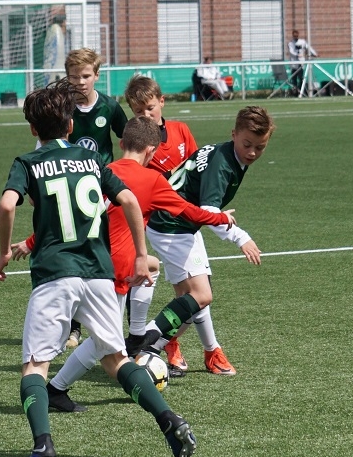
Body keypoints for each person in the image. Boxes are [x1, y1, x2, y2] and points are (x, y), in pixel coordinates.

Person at [0, 80, 197, 457]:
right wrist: (141, 255)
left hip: (55, 273)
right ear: (71, 125)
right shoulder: (91, 162)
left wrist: (3, 252)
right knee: (116, 360)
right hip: (100, 274)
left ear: (33, 129)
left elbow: (6, 205)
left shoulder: (28, 162)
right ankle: (170, 421)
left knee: (35, 366)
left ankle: (43, 445)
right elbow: (129, 199)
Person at [13, 115, 235, 413]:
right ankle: (58, 387)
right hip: (112, 270)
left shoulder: (101, 170)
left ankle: (134, 336)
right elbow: (190, 213)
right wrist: (222, 217)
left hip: (86, 259)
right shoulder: (152, 180)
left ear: (121, 143)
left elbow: (74, 215)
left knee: (150, 270)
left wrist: (30, 242)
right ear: (152, 151)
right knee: (105, 341)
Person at [135, 106, 276, 376]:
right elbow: (210, 211)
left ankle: (208, 352)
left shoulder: (228, 153)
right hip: (171, 225)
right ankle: (144, 346)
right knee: (200, 296)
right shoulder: (222, 164)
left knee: (191, 299)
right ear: (234, 134)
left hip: (182, 222)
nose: (252, 153)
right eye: (247, 144)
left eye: (260, 147)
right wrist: (241, 238)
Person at [124, 75, 219, 377]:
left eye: (150, 108)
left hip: (187, 219)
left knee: (192, 292)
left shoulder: (180, 130)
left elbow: (197, 167)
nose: (146, 115)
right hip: (165, 226)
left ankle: (178, 344)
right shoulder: (141, 147)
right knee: (194, 292)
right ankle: (186, 347)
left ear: (162, 102)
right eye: (139, 112)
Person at [62, 48, 130, 348]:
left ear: (97, 76)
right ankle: (74, 327)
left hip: (104, 191)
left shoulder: (110, 107)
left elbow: (129, 141)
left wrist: (122, 173)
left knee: (108, 254)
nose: (80, 82)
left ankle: (114, 321)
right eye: (74, 76)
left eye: (86, 76)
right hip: (71, 189)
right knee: (75, 254)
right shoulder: (63, 107)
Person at [287, 30, 318, 96]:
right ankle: (295, 92)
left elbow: (308, 47)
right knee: (294, 79)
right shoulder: (290, 43)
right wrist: (297, 55)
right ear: (293, 36)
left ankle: (301, 92)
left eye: (297, 36)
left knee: (301, 78)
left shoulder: (302, 42)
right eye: (294, 36)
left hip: (301, 63)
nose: (296, 37)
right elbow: (291, 52)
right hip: (294, 64)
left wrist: (314, 53)